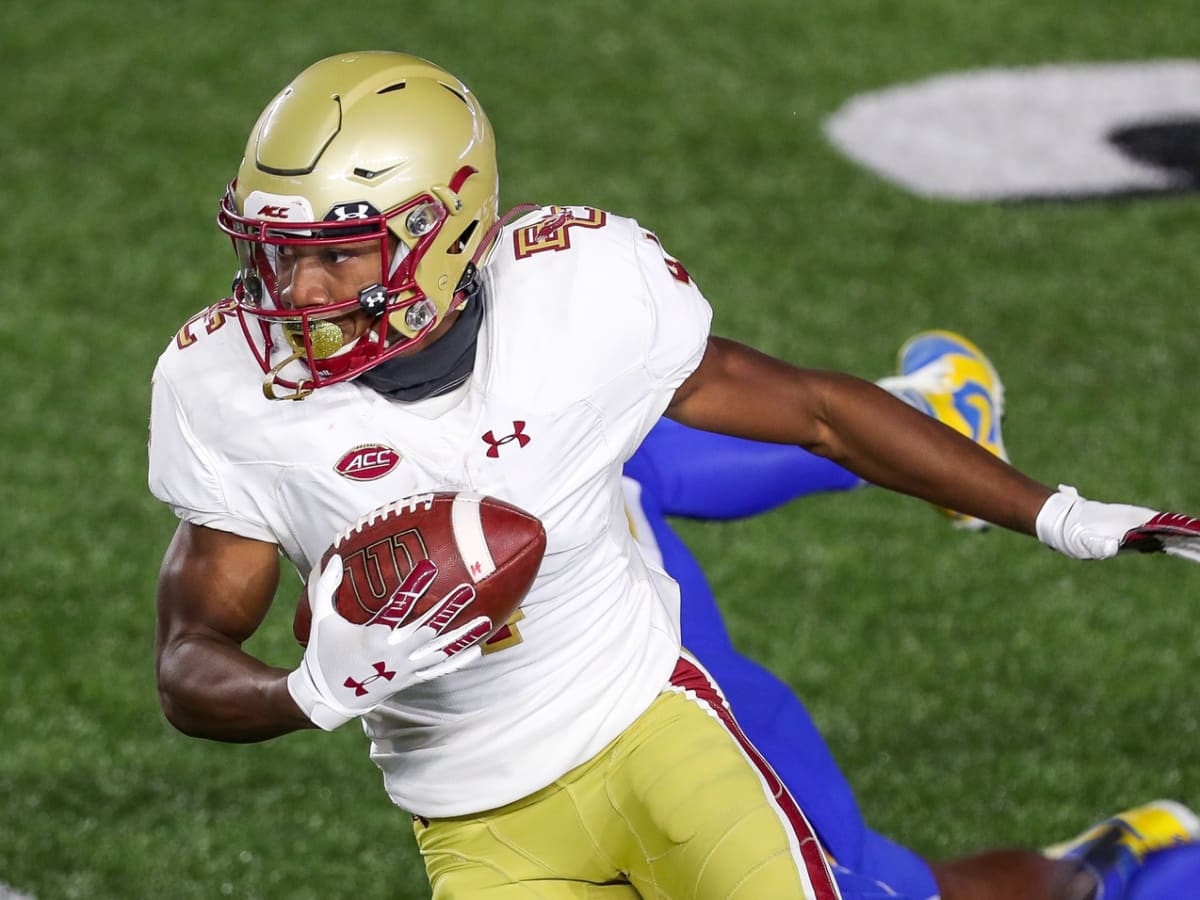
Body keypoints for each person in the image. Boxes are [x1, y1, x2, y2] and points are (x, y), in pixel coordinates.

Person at [149, 51, 1200, 899]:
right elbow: (189, 656)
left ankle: (1105, 869)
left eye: (338, 252)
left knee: (882, 887)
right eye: (275, 251)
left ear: (446, 233)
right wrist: (307, 689)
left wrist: (1062, 516)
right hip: (473, 821)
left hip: (651, 721)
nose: (296, 289)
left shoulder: (579, 292)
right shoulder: (226, 387)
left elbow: (813, 413)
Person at [623, 332, 1200, 899]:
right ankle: (929, 414)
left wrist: (1058, 516)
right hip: (607, 730)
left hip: (698, 735)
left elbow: (756, 396)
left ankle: (1093, 877)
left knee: (889, 884)